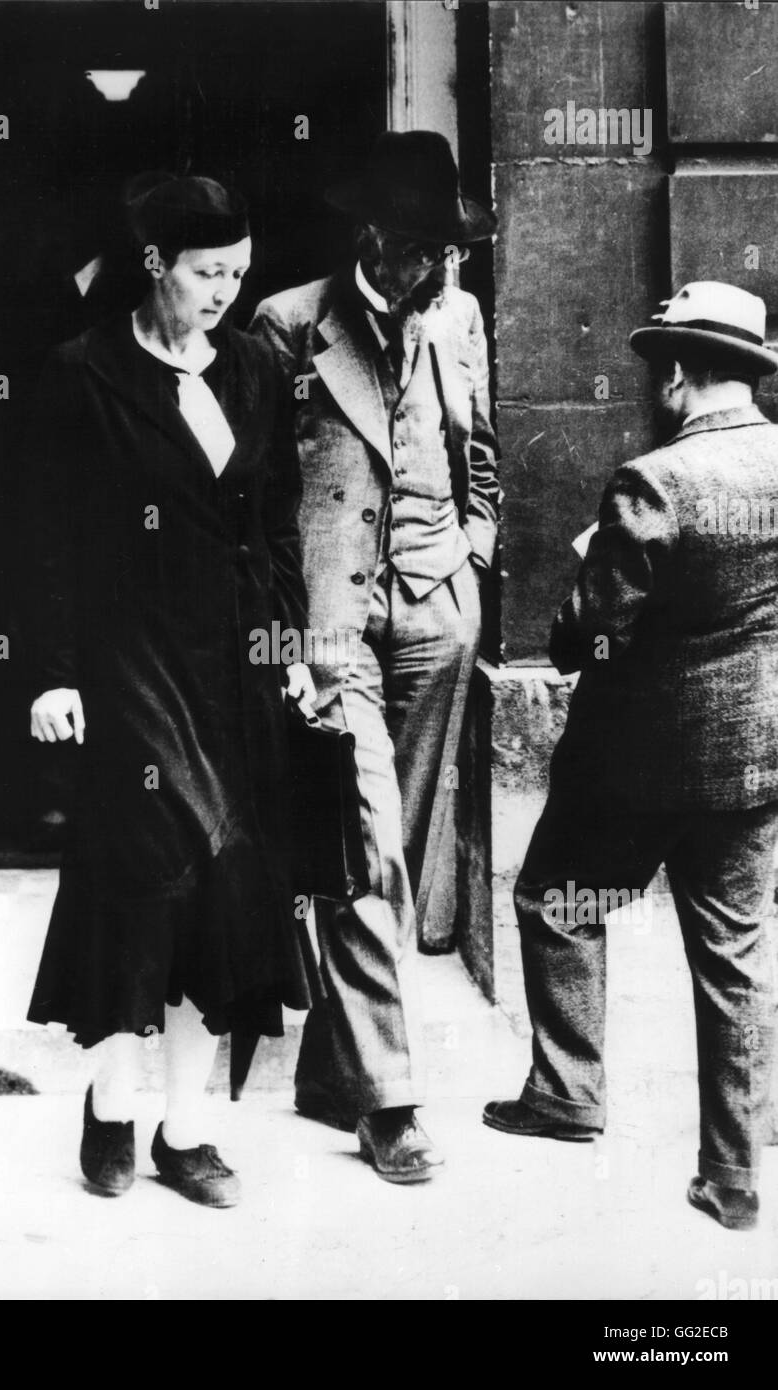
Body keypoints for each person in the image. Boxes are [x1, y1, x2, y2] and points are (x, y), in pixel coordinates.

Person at [20, 174, 316, 1207]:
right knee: (146, 876)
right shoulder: (81, 372)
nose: (226, 291)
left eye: (239, 272)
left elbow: (276, 522)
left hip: (235, 661)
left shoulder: (253, 369)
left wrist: (292, 640)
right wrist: (52, 671)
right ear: (157, 265)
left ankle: (185, 1131)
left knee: (230, 886)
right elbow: (43, 536)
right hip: (126, 653)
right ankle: (112, 1101)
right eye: (205, 272)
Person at [483, 282, 778, 1232]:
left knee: (558, 903)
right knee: (734, 957)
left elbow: (585, 638)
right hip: (756, 758)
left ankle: (567, 1093)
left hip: (636, 766)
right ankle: (731, 1176)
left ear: (683, 375)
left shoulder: (652, 482)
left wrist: (581, 581)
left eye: (662, 371)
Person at [251, 131, 500, 1183]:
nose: (440, 266)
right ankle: (390, 1098)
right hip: (331, 626)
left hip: (436, 612)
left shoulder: (459, 313)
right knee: (367, 846)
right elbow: (255, 498)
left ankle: (327, 1068)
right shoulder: (288, 325)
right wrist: (285, 640)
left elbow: (479, 453)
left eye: (449, 250)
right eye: (421, 249)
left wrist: (471, 566)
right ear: (375, 241)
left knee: (395, 848)